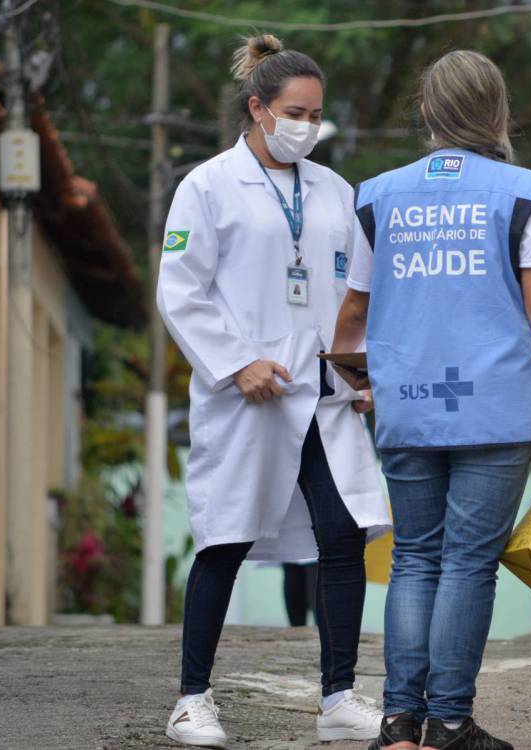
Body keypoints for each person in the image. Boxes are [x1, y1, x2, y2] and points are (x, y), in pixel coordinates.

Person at [332, 49, 531, 750]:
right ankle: (448, 721)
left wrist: (357, 381)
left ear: (425, 112)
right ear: (497, 113)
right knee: (469, 562)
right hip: (495, 406)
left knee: (414, 556)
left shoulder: (377, 195)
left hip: (408, 402)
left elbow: (354, 308)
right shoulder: (517, 192)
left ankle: (398, 724)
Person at [156, 34, 390, 748]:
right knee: (225, 535)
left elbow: (362, 291)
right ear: (257, 109)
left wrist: (362, 369)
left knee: (342, 534)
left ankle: (340, 698)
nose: (306, 126)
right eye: (294, 111)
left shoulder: (334, 191)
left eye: (316, 114)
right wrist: (236, 363)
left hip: (322, 393)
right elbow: (180, 290)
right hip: (249, 394)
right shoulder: (206, 185)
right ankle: (192, 700)